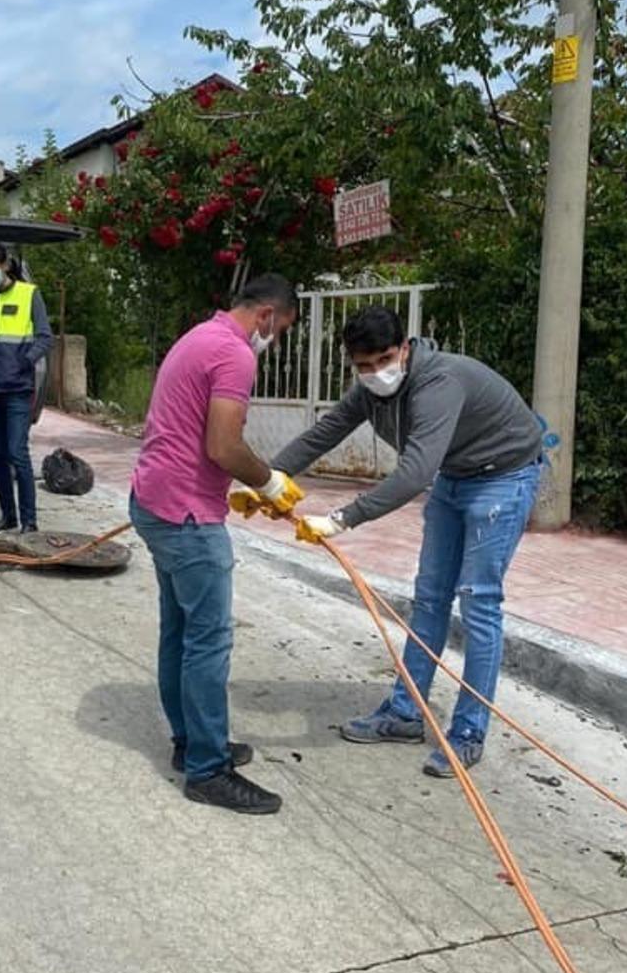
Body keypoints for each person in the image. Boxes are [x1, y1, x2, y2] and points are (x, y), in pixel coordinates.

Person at [273, 305, 543, 778]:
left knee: (478, 603)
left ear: (404, 348)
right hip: (457, 474)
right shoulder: (370, 393)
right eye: (363, 366)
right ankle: (403, 714)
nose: (376, 373)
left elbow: (415, 472)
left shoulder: (438, 383)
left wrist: (341, 519)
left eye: (383, 360)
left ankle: (468, 732)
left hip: (504, 476)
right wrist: (268, 478)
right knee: (430, 598)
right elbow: (326, 431)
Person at [129, 274, 304, 815]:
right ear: (269, 316)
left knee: (179, 630)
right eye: (282, 330)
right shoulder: (234, 353)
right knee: (208, 641)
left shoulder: (198, 336)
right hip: (185, 515)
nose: (274, 340)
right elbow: (224, 445)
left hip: (153, 499)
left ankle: (191, 742)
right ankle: (208, 769)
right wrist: (270, 482)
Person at [0, 238, 53, 535]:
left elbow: (45, 337)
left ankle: (29, 522)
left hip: (17, 388)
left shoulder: (28, 294)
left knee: (17, 452)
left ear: (5, 265)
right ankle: (8, 516)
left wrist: (23, 362)